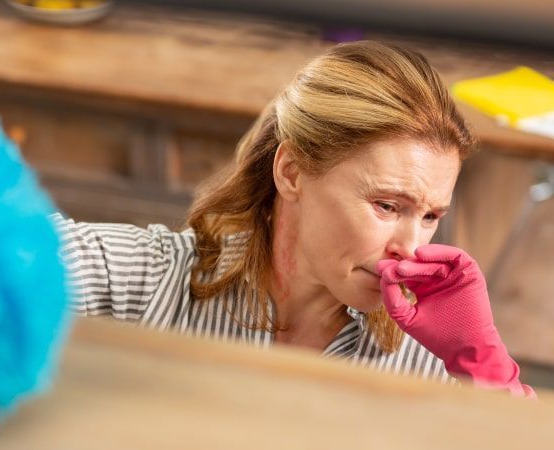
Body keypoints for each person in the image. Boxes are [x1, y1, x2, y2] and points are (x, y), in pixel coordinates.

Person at [53, 40, 535, 398]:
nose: (410, 248)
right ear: (292, 172)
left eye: (430, 215)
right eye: (387, 206)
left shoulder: (422, 361)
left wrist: (486, 365)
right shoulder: (151, 278)